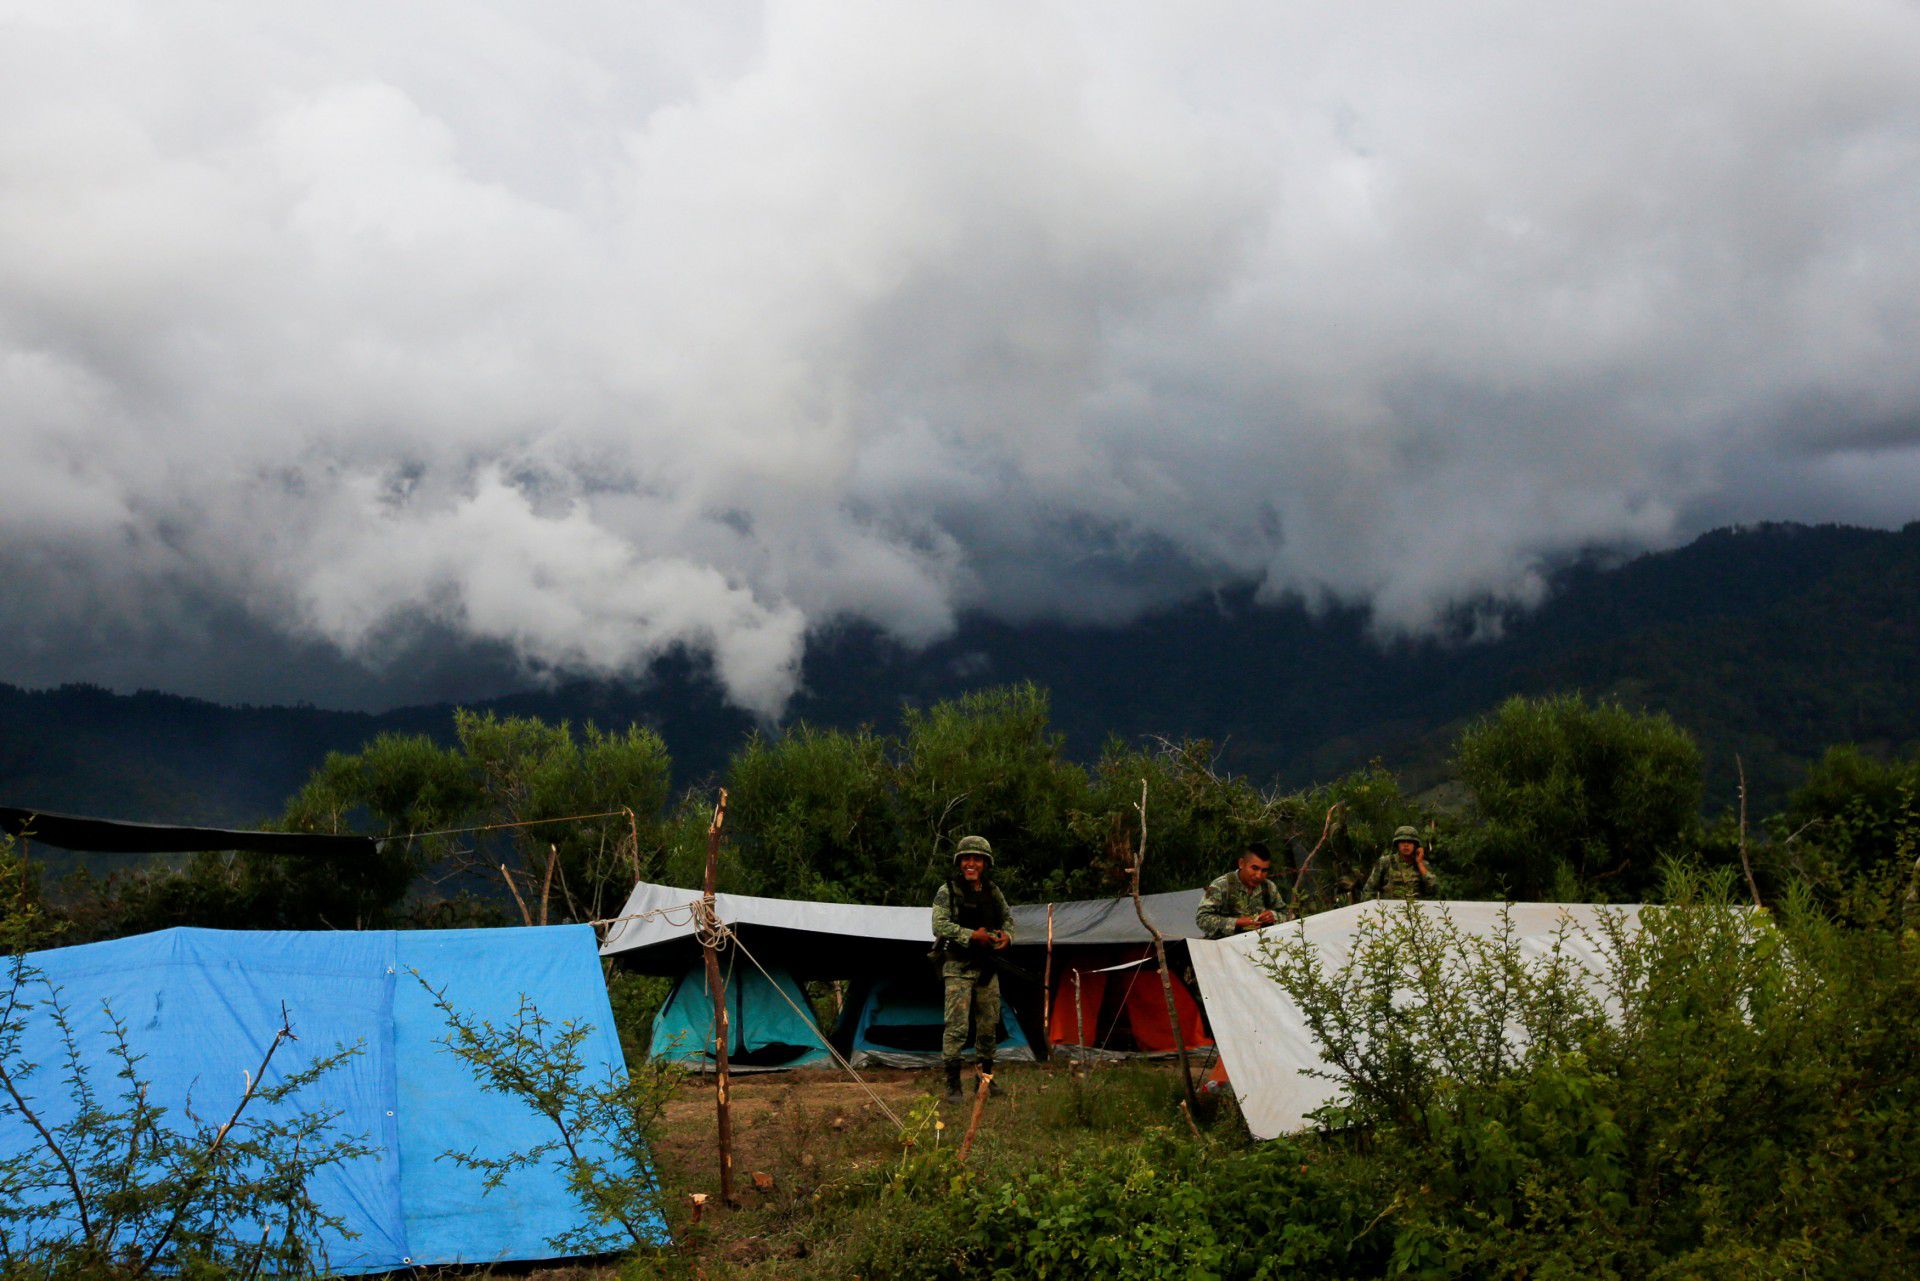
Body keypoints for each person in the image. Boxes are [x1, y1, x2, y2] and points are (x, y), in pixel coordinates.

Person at [930, 834, 1014, 1103]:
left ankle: (985, 1080)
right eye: (966, 858)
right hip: (957, 966)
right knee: (956, 1028)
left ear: (985, 863)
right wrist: (970, 935)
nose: (971, 863)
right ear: (959, 862)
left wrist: (1007, 936)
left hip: (986, 967)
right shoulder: (948, 890)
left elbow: (1008, 918)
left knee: (989, 1026)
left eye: (976, 858)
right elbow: (938, 925)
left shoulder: (993, 891)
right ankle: (953, 1085)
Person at [1196, 841, 1288, 939]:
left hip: (1259, 945)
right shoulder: (1221, 886)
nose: (1259, 875)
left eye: (1264, 870)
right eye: (1254, 868)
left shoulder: (1269, 887)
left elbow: (1288, 915)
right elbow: (1202, 919)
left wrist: (1274, 917)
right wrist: (1237, 923)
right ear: (1241, 864)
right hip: (1225, 946)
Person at [1363, 825, 1438, 901]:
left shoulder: (1423, 865)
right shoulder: (1385, 862)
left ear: (1415, 845)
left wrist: (1420, 864)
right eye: (1402, 841)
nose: (1406, 845)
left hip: (1416, 910)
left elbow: (1434, 889)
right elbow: (1368, 890)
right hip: (1390, 910)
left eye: (1409, 842)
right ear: (1397, 844)